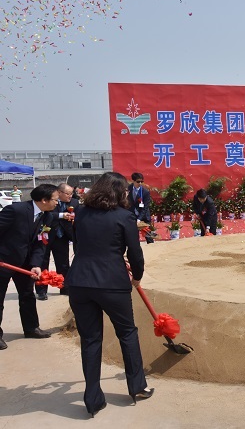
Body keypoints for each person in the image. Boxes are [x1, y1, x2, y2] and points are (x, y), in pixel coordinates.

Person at [65, 172, 153, 416]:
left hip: (80, 282)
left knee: (90, 339)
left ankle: (92, 399)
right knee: (127, 333)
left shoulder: (81, 212)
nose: (126, 193)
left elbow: (78, 245)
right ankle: (137, 386)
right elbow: (135, 253)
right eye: (124, 190)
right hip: (112, 283)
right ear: (118, 192)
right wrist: (137, 275)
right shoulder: (125, 216)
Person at [0, 184, 59, 351]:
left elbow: (42, 242)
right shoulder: (16, 210)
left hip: (25, 262)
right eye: (55, 199)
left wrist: (36, 264)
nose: (57, 203)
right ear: (44, 200)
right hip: (4, 260)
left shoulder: (48, 217)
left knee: (27, 295)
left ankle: (31, 328)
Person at [36, 183, 79, 300]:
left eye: (71, 193)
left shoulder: (74, 203)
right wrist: (61, 215)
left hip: (62, 237)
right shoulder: (49, 200)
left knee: (63, 263)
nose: (70, 196)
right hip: (46, 236)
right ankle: (41, 290)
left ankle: (64, 287)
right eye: (68, 194)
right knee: (43, 263)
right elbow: (45, 213)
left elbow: (78, 215)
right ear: (59, 193)